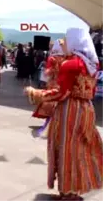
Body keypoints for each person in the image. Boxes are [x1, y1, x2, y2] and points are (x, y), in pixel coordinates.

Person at [25, 27, 103, 201]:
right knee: (80, 150)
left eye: (67, 40)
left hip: (70, 110)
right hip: (86, 108)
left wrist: (35, 94)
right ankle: (74, 191)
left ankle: (68, 193)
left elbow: (61, 92)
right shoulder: (92, 63)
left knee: (66, 150)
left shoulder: (71, 64)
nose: (64, 43)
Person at [32, 39, 66, 137]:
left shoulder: (52, 58)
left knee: (50, 104)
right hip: (63, 84)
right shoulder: (66, 58)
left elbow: (47, 73)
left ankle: (49, 125)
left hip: (52, 83)